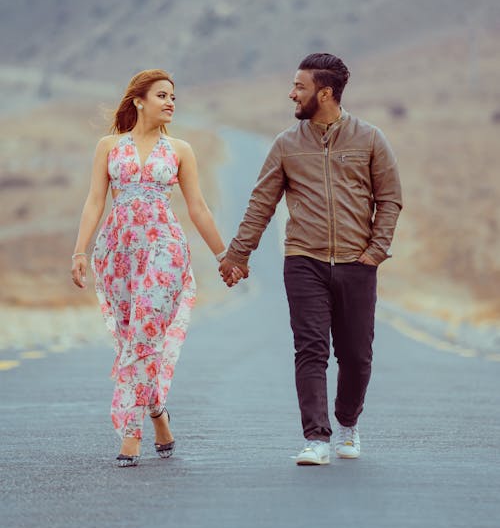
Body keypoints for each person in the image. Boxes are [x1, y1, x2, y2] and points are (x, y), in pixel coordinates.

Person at [219, 53, 402, 465]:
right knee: (310, 349)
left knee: (356, 354)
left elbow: (390, 199)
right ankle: (316, 438)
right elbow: (260, 204)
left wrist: (374, 252)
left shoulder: (370, 139)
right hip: (304, 260)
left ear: (325, 93)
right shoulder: (286, 145)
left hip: (358, 262)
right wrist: (237, 255)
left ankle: (347, 425)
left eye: (299, 87)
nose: (292, 93)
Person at [72, 69, 241, 467]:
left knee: (146, 329)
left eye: (174, 97)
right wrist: (80, 252)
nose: (170, 103)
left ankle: (130, 432)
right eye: (162, 95)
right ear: (139, 101)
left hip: (165, 247)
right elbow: (95, 201)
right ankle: (158, 413)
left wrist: (224, 256)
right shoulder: (109, 146)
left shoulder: (180, 149)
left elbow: (198, 207)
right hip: (118, 250)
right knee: (132, 340)